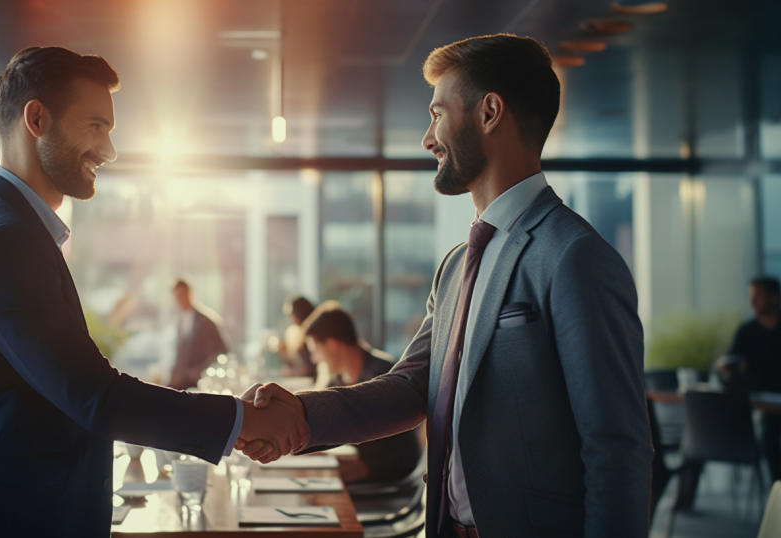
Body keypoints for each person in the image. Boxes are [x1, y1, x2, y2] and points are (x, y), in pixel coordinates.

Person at [239, 34, 651, 538]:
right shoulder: (457, 265)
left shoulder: (576, 257)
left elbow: (616, 449)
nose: (427, 138)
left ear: (490, 111)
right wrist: (300, 413)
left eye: (437, 114)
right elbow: (409, 389)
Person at [0, 47, 305, 538]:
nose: (109, 150)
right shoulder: (1, 239)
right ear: (36, 118)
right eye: (96, 126)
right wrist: (240, 420)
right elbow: (94, 395)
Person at [303, 302, 422, 483]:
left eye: (315, 351)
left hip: (391, 471)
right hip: (364, 463)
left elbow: (395, 452)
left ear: (332, 344)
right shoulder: (338, 378)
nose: (314, 359)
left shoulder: (384, 373)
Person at [718, 276, 781, 479]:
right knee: (769, 430)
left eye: (758, 296)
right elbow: (729, 364)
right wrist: (725, 368)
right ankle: (776, 490)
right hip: (760, 404)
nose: (753, 302)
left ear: (774, 298)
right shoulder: (746, 331)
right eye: (751, 296)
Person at [169, 279, 228, 389]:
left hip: (200, 382)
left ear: (190, 294)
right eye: (177, 297)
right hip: (182, 382)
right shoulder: (180, 321)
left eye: (182, 295)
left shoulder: (206, 321)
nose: (179, 300)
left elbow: (221, 350)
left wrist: (199, 371)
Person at [279, 295, 317, 377]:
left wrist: (293, 373)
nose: (289, 319)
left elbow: (310, 368)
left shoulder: (313, 334)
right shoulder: (299, 333)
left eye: (290, 314)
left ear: (299, 313)